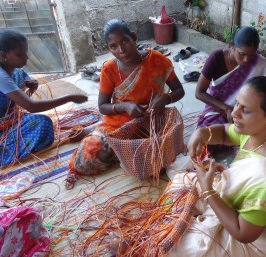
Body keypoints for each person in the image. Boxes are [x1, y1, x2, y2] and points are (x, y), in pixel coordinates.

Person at [109, 76, 266, 257]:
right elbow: (226, 133)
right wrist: (202, 133)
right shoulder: (260, 131)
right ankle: (174, 228)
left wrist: (208, 192)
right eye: (237, 105)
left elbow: (243, 233)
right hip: (235, 203)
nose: (234, 114)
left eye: (246, 110)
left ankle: (149, 247)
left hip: (256, 239)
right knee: (184, 182)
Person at [0, 29, 88, 177]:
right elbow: (31, 106)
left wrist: (31, 85)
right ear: (5, 55)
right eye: (20, 55)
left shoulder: (16, 71)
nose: (26, 58)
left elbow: (21, 89)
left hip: (7, 125)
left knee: (43, 123)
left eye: (26, 53)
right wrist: (69, 97)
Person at [65, 19, 185, 188]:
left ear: (133, 38)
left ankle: (96, 131)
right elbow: (103, 106)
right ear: (109, 49)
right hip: (120, 123)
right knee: (89, 155)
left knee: (160, 155)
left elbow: (179, 90)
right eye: (114, 46)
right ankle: (96, 130)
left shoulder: (157, 60)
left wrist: (165, 99)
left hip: (151, 120)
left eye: (124, 42)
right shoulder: (109, 69)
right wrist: (125, 107)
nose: (121, 50)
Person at [195, 26, 266, 128]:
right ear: (232, 45)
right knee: (210, 133)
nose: (246, 60)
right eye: (242, 54)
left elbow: (262, 94)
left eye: (251, 56)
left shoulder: (258, 63)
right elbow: (199, 93)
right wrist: (227, 108)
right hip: (219, 110)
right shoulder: (216, 58)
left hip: (246, 110)